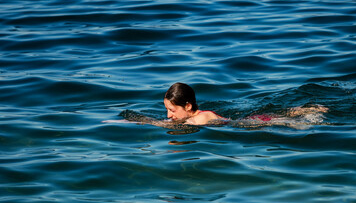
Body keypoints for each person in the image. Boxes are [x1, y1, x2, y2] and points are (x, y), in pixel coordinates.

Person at [105, 82, 328, 128]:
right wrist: (124, 120)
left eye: (172, 110)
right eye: (167, 109)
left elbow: (159, 124)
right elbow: (158, 122)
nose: (168, 115)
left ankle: (305, 111)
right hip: (245, 119)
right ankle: (301, 110)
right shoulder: (186, 118)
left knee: (283, 120)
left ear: (188, 106)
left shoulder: (201, 118)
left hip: (246, 124)